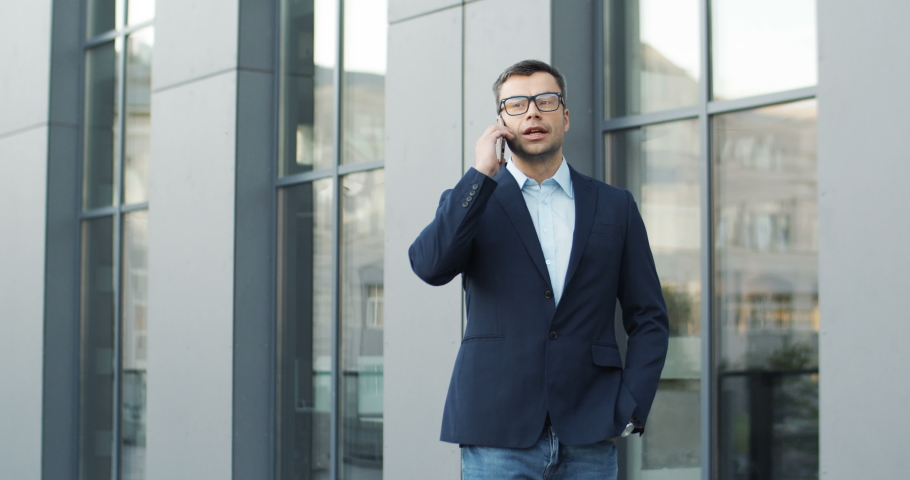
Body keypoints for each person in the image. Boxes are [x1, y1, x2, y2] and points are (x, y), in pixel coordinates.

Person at [408, 59, 669, 480]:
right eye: (516, 104)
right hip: (496, 432)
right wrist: (480, 174)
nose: (532, 112)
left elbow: (649, 317)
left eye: (546, 101)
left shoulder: (614, 206)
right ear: (501, 123)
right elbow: (429, 265)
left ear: (565, 116)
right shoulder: (472, 200)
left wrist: (631, 408)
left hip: (590, 432)